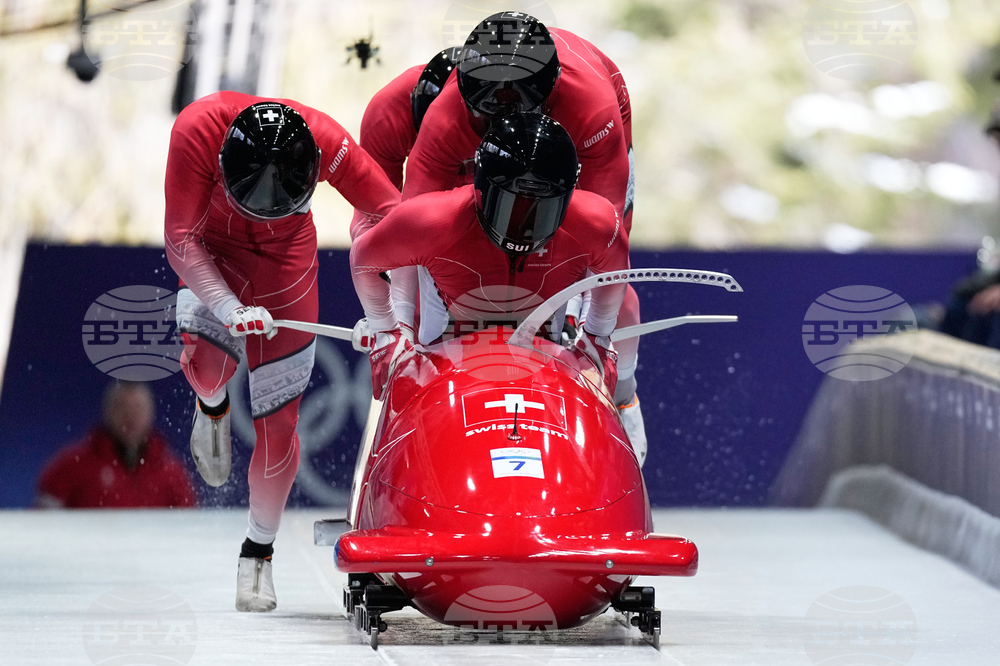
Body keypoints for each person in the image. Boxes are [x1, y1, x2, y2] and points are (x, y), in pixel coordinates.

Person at [164, 92, 399, 612]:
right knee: (207, 369)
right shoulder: (196, 130)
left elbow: (396, 220)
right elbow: (179, 238)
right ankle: (213, 404)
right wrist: (226, 306)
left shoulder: (328, 140)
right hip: (213, 250)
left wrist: (385, 313)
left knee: (280, 425)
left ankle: (257, 553)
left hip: (284, 268)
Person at [395, 12, 647, 463]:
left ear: (542, 97)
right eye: (485, 108)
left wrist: (592, 338)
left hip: (590, 130)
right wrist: (405, 337)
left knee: (600, 270)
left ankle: (623, 390)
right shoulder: (447, 119)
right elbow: (410, 235)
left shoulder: (591, 108)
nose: (496, 115)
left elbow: (606, 243)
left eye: (510, 104)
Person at [351, 114, 629, 447]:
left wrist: (597, 336)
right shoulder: (429, 219)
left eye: (543, 208)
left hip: (548, 359)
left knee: (629, 312)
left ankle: (630, 402)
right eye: (509, 204)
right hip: (443, 353)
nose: (524, 225)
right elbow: (365, 260)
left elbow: (614, 271)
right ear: (480, 189)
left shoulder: (597, 224)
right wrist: (389, 332)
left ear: (568, 197)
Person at [36, 381, 195, 509]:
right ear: (108, 412)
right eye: (122, 408)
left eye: (137, 409)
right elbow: (42, 528)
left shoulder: (173, 474)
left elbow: (187, 531)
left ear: (150, 414)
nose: (130, 417)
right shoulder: (69, 467)